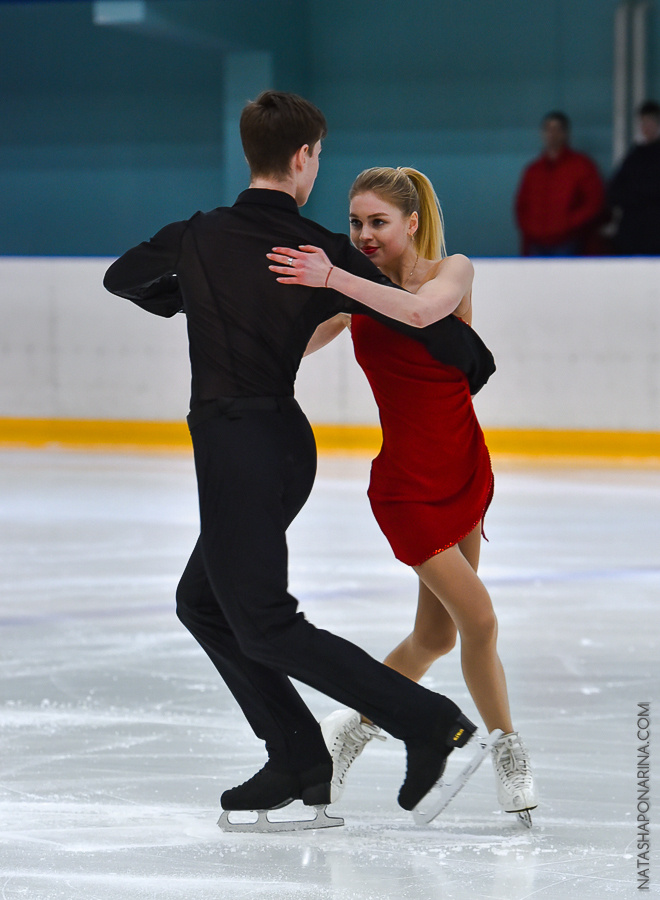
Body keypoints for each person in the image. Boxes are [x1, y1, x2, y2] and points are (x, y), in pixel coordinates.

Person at [103, 91, 497, 833]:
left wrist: (196, 295)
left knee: (263, 621)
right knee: (205, 602)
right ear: (304, 157)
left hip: (245, 447)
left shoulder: (198, 237)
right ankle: (296, 757)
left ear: (250, 152)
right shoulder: (317, 250)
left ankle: (428, 722)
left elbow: (122, 277)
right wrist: (473, 365)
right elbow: (444, 341)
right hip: (270, 447)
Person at [268, 165, 538, 826]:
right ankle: (510, 750)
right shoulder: (349, 296)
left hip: (466, 473)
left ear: (411, 223)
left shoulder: (453, 272)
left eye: (377, 222)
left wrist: (334, 276)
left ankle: (351, 731)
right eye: (355, 222)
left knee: (434, 636)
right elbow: (287, 350)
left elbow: (420, 313)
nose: (362, 234)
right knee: (479, 622)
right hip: (406, 491)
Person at [515, 111, 604, 256]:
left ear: (565, 133)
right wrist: (531, 229)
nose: (551, 134)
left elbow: (594, 203)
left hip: (568, 242)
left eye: (556, 129)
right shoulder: (533, 170)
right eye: (547, 129)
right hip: (536, 243)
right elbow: (521, 206)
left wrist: (567, 224)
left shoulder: (581, 166)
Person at [608, 100, 660, 256]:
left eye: (651, 122)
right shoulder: (634, 157)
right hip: (632, 234)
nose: (646, 127)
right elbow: (614, 192)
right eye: (643, 122)